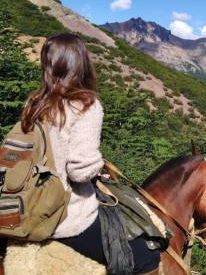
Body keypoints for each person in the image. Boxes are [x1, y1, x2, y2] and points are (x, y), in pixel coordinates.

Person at [20, 33, 160, 274]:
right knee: (146, 256)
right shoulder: (85, 103)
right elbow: (80, 171)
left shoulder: (34, 103)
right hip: (64, 215)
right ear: (81, 63)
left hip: (26, 203)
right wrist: (98, 163)